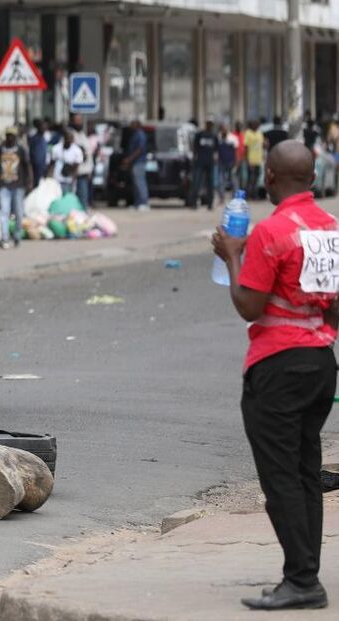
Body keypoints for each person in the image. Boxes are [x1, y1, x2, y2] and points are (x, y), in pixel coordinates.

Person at [212, 140, 336, 611]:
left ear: (269, 178)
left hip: (278, 366)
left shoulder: (271, 232)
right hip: (322, 362)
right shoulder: (331, 229)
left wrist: (231, 254)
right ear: (313, 178)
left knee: (281, 477)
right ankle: (304, 574)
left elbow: (249, 305)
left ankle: (302, 580)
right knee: (305, 473)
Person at [0, 127, 31, 249]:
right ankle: (4, 237)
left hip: (18, 186)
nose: (10, 138)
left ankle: (17, 235)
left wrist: (29, 182)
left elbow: (27, 166)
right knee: (4, 212)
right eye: (8, 135)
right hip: (4, 185)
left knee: (19, 213)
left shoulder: (21, 149)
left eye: (12, 136)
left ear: (15, 137)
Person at [188, 119, 219, 210]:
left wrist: (216, 159)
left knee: (210, 184)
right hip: (199, 162)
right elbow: (195, 148)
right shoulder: (200, 135)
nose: (209, 126)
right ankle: (194, 203)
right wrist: (194, 159)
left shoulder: (214, 136)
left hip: (210, 163)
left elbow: (216, 150)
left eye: (211, 124)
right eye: (208, 124)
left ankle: (210, 203)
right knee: (197, 183)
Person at [123, 119, 149, 211]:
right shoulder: (134, 135)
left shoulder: (140, 135)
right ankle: (137, 203)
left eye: (132, 124)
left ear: (137, 125)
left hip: (139, 162)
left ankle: (144, 203)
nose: (131, 126)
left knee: (140, 182)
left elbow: (139, 149)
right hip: (134, 163)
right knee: (135, 184)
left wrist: (130, 159)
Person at [69, 113, 94, 207]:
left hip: (84, 172)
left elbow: (88, 154)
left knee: (84, 199)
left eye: (80, 120)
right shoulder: (70, 135)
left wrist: (90, 170)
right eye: (77, 121)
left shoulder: (83, 135)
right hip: (75, 174)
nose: (79, 123)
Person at [51, 130, 84, 196]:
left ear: (72, 139)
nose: (68, 140)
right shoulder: (56, 148)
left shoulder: (77, 151)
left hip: (69, 181)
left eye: (70, 138)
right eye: (67, 138)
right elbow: (52, 164)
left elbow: (76, 168)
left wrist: (72, 183)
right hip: (57, 180)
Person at [217, 124, 238, 204]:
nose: (223, 131)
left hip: (231, 162)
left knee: (233, 180)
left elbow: (236, 151)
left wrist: (236, 162)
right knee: (220, 181)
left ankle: (235, 197)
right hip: (221, 163)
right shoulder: (218, 138)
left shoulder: (233, 138)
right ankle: (222, 198)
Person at [244, 120, 264, 200]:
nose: (257, 126)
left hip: (258, 160)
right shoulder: (248, 133)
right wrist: (247, 160)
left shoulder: (259, 133)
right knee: (250, 179)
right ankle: (247, 195)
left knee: (256, 179)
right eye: (255, 124)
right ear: (252, 125)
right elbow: (246, 148)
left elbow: (262, 145)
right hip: (251, 160)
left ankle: (254, 195)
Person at [28, 119, 49, 190]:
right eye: (42, 127)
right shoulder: (34, 139)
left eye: (45, 127)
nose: (44, 129)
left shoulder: (44, 138)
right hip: (36, 169)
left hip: (43, 168)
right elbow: (32, 156)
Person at [232, 121, 247, 191]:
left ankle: (241, 191)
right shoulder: (232, 135)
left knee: (243, 177)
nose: (239, 127)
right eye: (238, 126)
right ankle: (236, 191)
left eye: (240, 126)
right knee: (234, 176)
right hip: (234, 159)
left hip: (242, 158)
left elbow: (245, 147)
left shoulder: (243, 135)